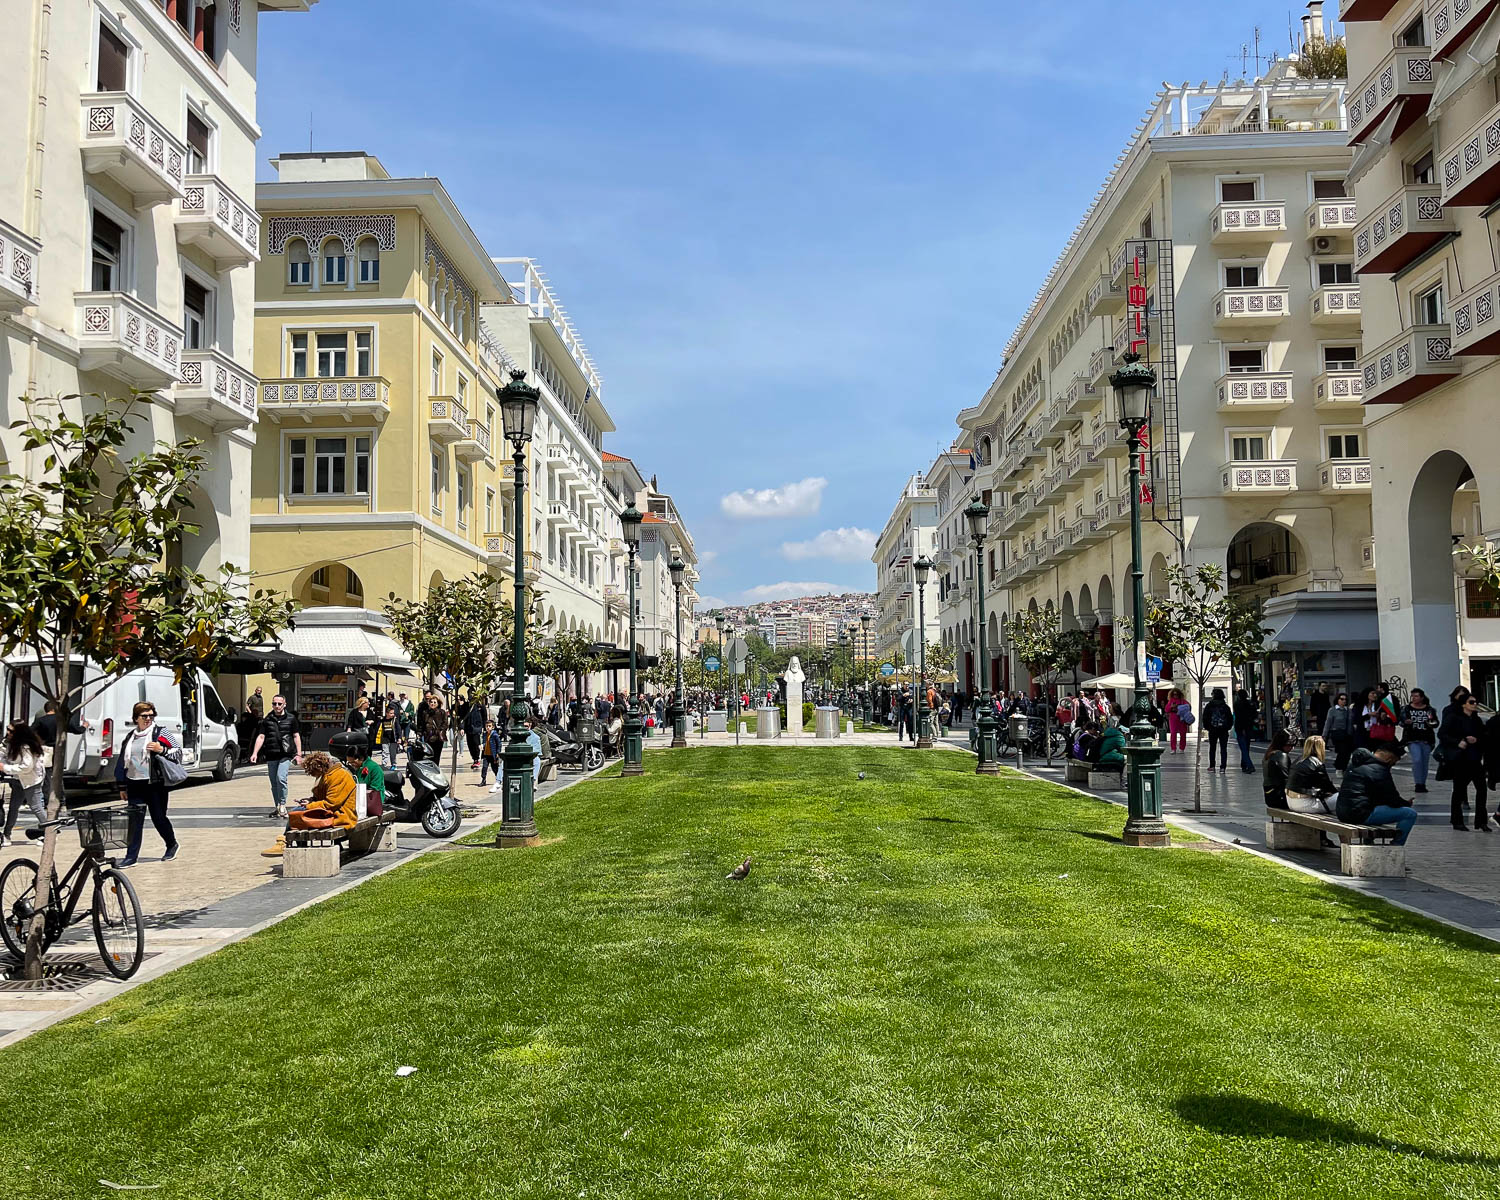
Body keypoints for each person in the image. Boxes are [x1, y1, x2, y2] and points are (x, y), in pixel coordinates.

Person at [113, 701, 179, 867]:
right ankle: (131, 856)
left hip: (155, 784)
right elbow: (122, 761)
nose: (148, 718)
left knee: (159, 818)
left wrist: (161, 749)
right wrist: (122, 786)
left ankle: (171, 844)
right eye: (144, 716)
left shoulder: (161, 733)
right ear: (136, 718)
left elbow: (178, 752)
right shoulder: (130, 737)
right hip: (134, 784)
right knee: (135, 821)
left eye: (151, 715)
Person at [261, 751, 360, 857]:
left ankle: (284, 841)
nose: (314, 776)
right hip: (331, 812)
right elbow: (325, 799)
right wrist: (311, 800)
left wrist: (309, 806)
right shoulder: (329, 774)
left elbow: (331, 803)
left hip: (340, 816)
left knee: (298, 813)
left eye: (314, 773)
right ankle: (295, 849)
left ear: (319, 767)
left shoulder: (339, 776)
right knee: (299, 813)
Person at [1337, 743, 1418, 845]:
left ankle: (1368, 841)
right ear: (1390, 758)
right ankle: (1396, 845)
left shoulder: (1354, 764)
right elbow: (1391, 798)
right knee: (1409, 814)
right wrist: (1406, 804)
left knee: (1375, 805)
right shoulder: (1379, 770)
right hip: (1359, 815)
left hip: (1343, 813)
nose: (1392, 765)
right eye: (1394, 762)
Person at [1439, 691, 1488, 831]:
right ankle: (1457, 820)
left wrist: (1477, 740)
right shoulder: (1453, 718)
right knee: (1459, 791)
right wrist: (1459, 741)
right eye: (1471, 702)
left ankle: (1481, 821)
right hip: (1460, 759)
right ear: (1463, 704)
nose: (1474, 705)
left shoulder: (1476, 720)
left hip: (1475, 759)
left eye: (1475, 702)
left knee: (1482, 789)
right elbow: (1442, 734)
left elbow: (1483, 735)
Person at [249, 694, 303, 820]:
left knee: (281, 778)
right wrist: (254, 753)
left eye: (279, 704)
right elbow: (261, 736)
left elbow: (296, 736)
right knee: (274, 782)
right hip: (271, 753)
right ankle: (278, 805)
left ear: (284, 704)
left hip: (286, 754)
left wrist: (299, 754)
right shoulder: (267, 720)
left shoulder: (291, 719)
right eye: (274, 704)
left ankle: (283, 804)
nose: (277, 706)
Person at [1, 720, 47, 848]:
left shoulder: (26, 746)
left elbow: (27, 767)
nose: (8, 732)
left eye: (11, 731)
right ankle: (7, 834)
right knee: (13, 807)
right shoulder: (10, 743)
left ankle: (49, 833)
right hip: (18, 779)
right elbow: (6, 756)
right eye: (7, 729)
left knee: (36, 806)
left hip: (30, 780)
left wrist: (5, 768)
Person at [1287, 735, 1338, 816]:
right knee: (1341, 799)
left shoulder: (1298, 760)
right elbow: (1328, 787)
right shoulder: (1317, 763)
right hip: (1303, 803)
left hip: (1290, 801)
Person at [337, 732, 385, 818]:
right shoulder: (357, 768)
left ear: (361, 758)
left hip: (372, 802)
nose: (351, 764)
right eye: (349, 762)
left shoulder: (374, 768)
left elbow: (375, 789)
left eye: (353, 762)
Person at [1400, 688, 1438, 794]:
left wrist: (1431, 723)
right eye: (1412, 696)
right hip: (1412, 738)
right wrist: (1406, 722)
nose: (1414, 698)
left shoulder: (1429, 710)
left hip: (1426, 739)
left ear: (1422, 697)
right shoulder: (1407, 709)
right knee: (1417, 759)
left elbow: (1435, 722)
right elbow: (1401, 721)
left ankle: (1422, 783)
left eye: (1416, 696)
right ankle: (1418, 783)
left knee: (1424, 762)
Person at [1322, 692, 1356, 773]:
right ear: (1337, 700)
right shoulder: (1332, 710)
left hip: (1347, 733)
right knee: (1342, 750)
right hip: (1337, 733)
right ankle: (1338, 766)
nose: (1344, 701)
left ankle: (1343, 768)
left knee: (1347, 752)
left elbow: (1351, 722)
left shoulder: (1348, 710)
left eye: (1345, 699)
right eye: (1342, 699)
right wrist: (1324, 735)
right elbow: (1328, 722)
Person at [1203, 688, 1234, 772]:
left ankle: (1212, 766)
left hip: (1212, 729)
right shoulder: (1225, 706)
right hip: (1223, 730)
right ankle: (1223, 767)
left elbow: (1205, 717)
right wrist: (1228, 727)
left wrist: (1207, 727)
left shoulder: (1209, 706)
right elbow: (1230, 718)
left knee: (1212, 748)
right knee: (1223, 748)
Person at [1262, 729, 1292, 810]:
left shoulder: (1269, 754)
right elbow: (1285, 779)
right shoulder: (1281, 756)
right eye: (1289, 745)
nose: (1291, 748)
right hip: (1279, 797)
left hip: (1270, 796)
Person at [1231, 689, 1258, 773]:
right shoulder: (1251, 704)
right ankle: (1244, 764)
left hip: (1240, 727)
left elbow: (1238, 716)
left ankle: (1249, 765)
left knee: (1243, 747)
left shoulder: (1237, 704)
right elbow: (1254, 715)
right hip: (1248, 727)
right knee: (1246, 746)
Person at [418, 691, 448, 762]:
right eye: (431, 702)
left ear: (438, 703)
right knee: (429, 756)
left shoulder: (442, 712)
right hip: (428, 737)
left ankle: (436, 769)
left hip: (438, 738)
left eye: (435, 702)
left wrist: (441, 731)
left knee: (437, 756)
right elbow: (421, 724)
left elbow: (445, 724)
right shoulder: (425, 713)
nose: (433, 704)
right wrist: (419, 733)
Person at [481, 718, 504, 792]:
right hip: (486, 754)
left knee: (495, 768)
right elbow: (484, 742)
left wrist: (498, 753)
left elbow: (499, 744)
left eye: (489, 726)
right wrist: (482, 745)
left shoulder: (495, 735)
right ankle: (483, 780)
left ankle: (499, 780)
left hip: (493, 755)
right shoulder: (485, 734)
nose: (488, 727)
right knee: (484, 767)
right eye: (487, 726)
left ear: (493, 727)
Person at [464, 698, 486, 769]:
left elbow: (484, 716)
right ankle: (474, 759)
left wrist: (484, 727)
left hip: (477, 728)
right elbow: (463, 716)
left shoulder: (480, 706)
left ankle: (476, 759)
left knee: (476, 743)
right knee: (470, 744)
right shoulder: (466, 705)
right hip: (468, 728)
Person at [1166, 688, 1187, 753]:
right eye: (1174, 694)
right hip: (1173, 718)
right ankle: (1173, 748)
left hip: (1181, 718)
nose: (1175, 695)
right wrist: (1171, 707)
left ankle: (1182, 748)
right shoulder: (1171, 701)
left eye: (1177, 694)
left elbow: (1188, 706)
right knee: (1173, 733)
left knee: (1183, 733)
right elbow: (1166, 709)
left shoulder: (1183, 701)